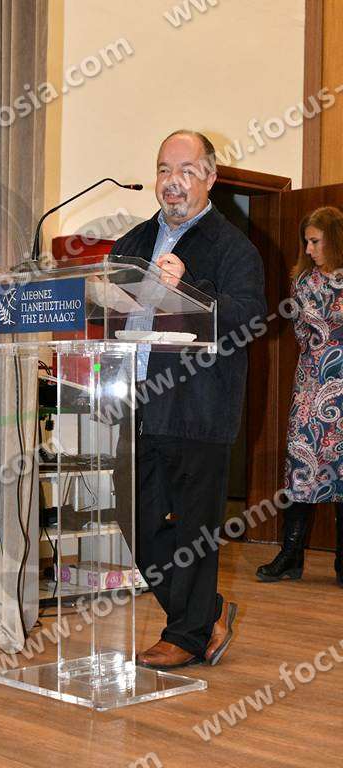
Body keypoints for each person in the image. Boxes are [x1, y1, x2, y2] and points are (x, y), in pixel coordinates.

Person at [110, 130, 267, 670]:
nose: (172, 181)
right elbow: (107, 313)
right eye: (163, 169)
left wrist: (190, 292)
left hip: (199, 406)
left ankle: (186, 633)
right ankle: (207, 612)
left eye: (186, 170)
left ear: (210, 178)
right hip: (133, 402)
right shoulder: (130, 244)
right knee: (136, 520)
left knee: (195, 529)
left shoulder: (233, 247)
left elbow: (249, 318)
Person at [257, 206, 343, 585]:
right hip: (311, 386)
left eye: (315, 241)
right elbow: (302, 334)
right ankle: (290, 555)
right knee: (301, 468)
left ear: (334, 240)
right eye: (306, 242)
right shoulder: (303, 282)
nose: (308, 249)